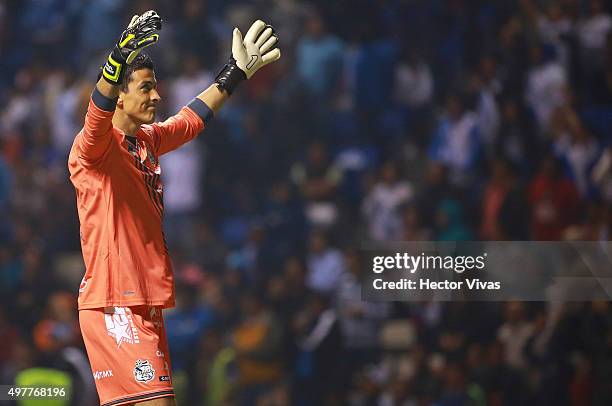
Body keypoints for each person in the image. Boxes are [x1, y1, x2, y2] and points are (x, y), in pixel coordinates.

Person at [67, 10, 280, 406]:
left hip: (141, 301)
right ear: (122, 96)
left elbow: (190, 120)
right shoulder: (94, 150)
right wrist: (116, 58)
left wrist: (235, 73)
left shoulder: (145, 140)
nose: (156, 96)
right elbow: (96, 116)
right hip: (117, 301)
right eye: (146, 88)